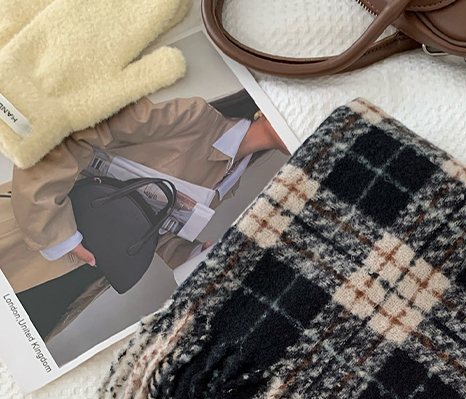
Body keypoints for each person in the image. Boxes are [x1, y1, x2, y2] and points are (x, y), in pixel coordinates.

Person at [0, 90, 287, 339]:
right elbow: (73, 130)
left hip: (85, 274)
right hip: (32, 236)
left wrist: (190, 255)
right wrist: (53, 229)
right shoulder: (196, 118)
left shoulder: (231, 182)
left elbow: (152, 228)